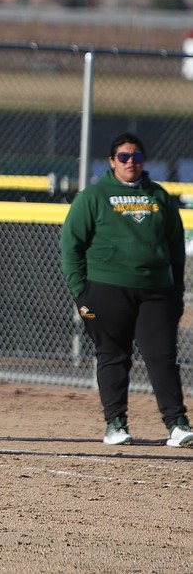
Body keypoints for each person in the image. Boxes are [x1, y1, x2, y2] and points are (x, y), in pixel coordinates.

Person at [60, 132, 191, 447]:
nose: (130, 162)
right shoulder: (94, 196)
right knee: (113, 355)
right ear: (111, 161)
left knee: (162, 356)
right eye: (123, 157)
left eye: (136, 156)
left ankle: (177, 425)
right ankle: (115, 424)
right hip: (107, 290)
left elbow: (175, 247)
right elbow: (71, 245)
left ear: (144, 161)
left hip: (156, 291)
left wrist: (175, 291)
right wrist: (81, 291)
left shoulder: (159, 197)